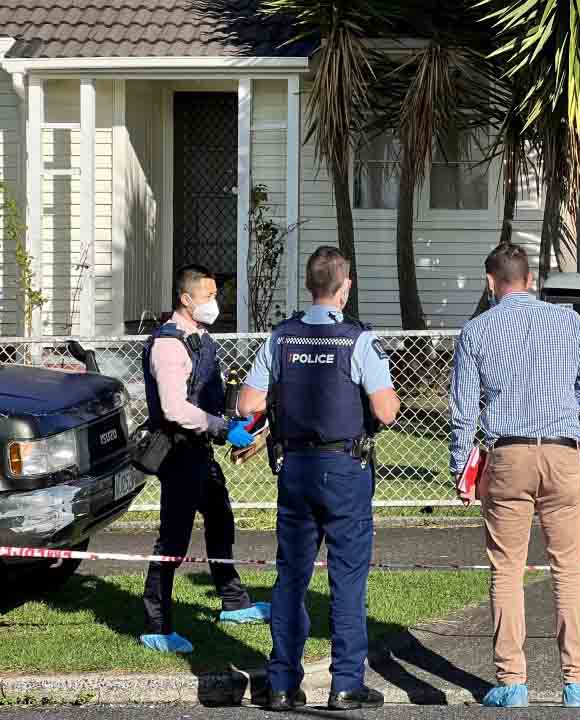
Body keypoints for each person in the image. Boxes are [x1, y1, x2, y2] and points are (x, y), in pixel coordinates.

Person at [238, 246, 400, 712]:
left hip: (296, 467)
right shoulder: (358, 340)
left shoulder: (281, 339)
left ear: (309, 285)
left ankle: (282, 683)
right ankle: (346, 684)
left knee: (291, 576)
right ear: (344, 287)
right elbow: (386, 411)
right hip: (345, 468)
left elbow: (248, 403)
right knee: (347, 579)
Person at [449, 242, 580, 709]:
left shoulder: (476, 330)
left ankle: (511, 682)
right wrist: (561, 409)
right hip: (562, 452)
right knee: (569, 569)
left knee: (506, 570)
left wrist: (460, 467)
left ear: (491, 282)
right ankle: (578, 681)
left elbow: (463, 411)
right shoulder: (568, 321)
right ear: (531, 279)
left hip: (507, 455)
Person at [140, 265, 270, 654]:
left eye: (215, 295)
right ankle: (157, 625)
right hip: (178, 452)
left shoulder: (200, 338)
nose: (215, 303)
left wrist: (236, 421)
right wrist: (221, 428)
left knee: (220, 519)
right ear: (186, 298)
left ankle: (233, 602)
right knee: (173, 539)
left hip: (200, 449)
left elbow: (207, 393)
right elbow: (174, 408)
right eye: (208, 296)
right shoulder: (168, 346)